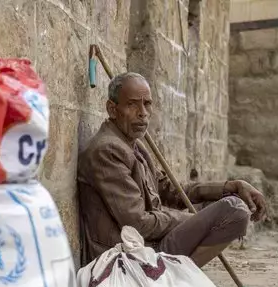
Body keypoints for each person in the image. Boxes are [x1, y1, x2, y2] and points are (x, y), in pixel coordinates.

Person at [77, 72, 267, 268]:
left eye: (147, 104)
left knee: (233, 206)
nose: (142, 112)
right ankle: (174, 278)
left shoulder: (134, 145)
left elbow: (170, 189)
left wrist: (230, 187)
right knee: (234, 211)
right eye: (132, 104)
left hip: (149, 245)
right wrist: (196, 221)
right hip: (129, 256)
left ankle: (178, 277)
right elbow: (138, 224)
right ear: (112, 109)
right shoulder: (107, 150)